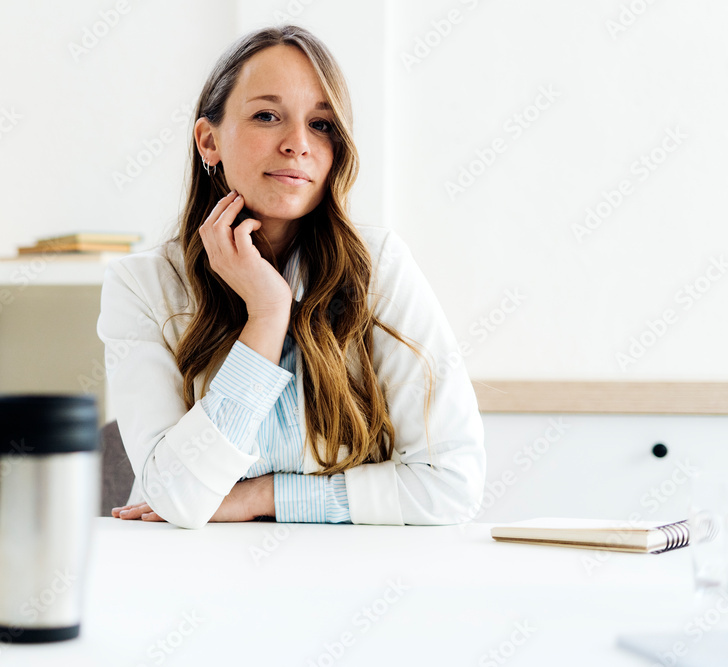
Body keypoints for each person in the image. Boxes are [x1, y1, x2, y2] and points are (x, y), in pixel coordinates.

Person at [97, 25, 485, 529]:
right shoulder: (141, 285)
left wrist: (262, 496)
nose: (298, 144)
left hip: (348, 580)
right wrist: (268, 312)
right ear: (208, 141)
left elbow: (452, 485)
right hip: (190, 576)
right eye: (267, 116)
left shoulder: (379, 267)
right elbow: (179, 498)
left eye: (321, 124)